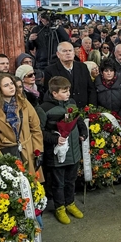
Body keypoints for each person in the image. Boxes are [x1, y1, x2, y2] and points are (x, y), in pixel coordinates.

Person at [40, 76, 87, 224]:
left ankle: (70, 203)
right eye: (64, 91)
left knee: (71, 181)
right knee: (58, 183)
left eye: (69, 90)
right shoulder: (44, 109)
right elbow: (39, 132)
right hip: (57, 155)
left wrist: (83, 132)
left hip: (73, 151)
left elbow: (78, 120)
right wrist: (55, 139)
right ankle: (60, 208)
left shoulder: (71, 103)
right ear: (54, 93)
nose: (68, 93)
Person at [0, 73, 44, 181]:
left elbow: (35, 128)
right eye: (6, 85)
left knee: (32, 187)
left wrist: (38, 151)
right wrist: (0, 161)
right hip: (6, 154)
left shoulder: (23, 101)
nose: (11, 87)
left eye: (11, 83)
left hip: (28, 151)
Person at [43, 42, 97, 108]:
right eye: (64, 51)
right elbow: (50, 93)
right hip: (63, 111)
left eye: (70, 50)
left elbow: (91, 89)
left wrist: (92, 107)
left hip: (84, 109)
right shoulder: (50, 70)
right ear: (58, 54)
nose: (68, 53)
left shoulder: (82, 67)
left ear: (74, 53)